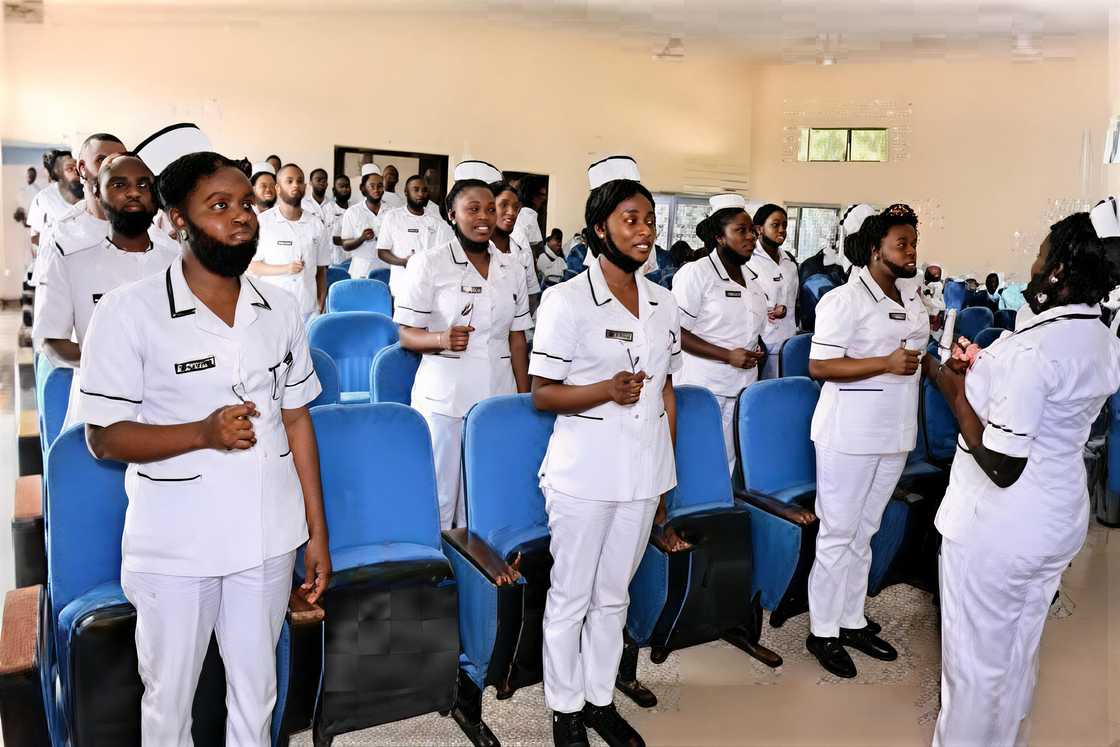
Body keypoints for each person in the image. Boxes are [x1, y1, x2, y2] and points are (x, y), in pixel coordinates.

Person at [77, 143, 330, 747]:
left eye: (247, 202)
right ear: (178, 221)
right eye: (220, 205)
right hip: (176, 540)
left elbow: (297, 420)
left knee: (256, 689)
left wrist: (316, 532)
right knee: (169, 698)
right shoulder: (128, 312)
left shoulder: (282, 308)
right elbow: (103, 438)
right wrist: (203, 433)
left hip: (267, 534)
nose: (242, 215)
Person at [930, 208, 1120, 745]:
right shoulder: (1101, 337)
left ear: (1058, 268)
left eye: (1041, 252)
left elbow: (1002, 463)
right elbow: (1050, 401)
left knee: (972, 670)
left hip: (1001, 525)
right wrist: (988, 366)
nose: (1033, 261)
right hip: (1057, 517)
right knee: (1016, 650)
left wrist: (953, 388)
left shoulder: (1033, 350)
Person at [530, 155, 688, 747]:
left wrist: (666, 473)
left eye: (649, 220)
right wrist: (605, 390)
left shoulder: (662, 301)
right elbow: (542, 395)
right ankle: (564, 710)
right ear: (600, 228)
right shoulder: (566, 301)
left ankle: (599, 700)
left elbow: (666, 389)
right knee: (571, 594)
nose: (645, 231)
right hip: (583, 472)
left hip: (643, 471)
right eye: (631, 220)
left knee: (613, 594)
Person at [804, 204, 929, 679]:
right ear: (876, 249)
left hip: (894, 431)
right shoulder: (842, 300)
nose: (911, 251)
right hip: (849, 434)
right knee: (838, 532)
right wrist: (884, 363)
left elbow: (916, 351)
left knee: (867, 529)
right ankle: (823, 631)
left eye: (914, 243)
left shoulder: (909, 297)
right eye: (902, 244)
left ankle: (851, 618)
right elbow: (819, 367)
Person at [393, 160, 531, 530]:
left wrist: (523, 396)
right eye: (473, 209)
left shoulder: (511, 267)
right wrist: (440, 338)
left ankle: (480, 574)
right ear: (452, 215)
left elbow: (517, 338)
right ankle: (441, 571)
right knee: (442, 492)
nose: (484, 217)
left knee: (486, 489)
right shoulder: (429, 264)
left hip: (497, 395)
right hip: (446, 398)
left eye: (490, 208)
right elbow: (406, 334)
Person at [34, 152, 180, 430]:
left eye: (143, 185)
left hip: (170, 407)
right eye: (119, 185)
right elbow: (52, 340)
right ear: (97, 195)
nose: (133, 193)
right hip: (99, 410)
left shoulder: (178, 259)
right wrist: (114, 364)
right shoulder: (69, 257)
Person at [671, 194, 767, 474]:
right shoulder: (697, 274)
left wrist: (754, 348)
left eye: (752, 230)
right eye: (741, 230)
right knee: (695, 458)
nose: (751, 237)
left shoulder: (751, 278)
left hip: (741, 387)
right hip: (704, 386)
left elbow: (745, 328)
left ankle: (719, 512)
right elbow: (675, 330)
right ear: (720, 237)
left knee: (727, 460)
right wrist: (727, 355)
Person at [30, 134, 127, 298]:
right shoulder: (57, 237)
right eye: (101, 160)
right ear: (82, 168)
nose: (112, 169)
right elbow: (50, 321)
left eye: (120, 161)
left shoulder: (149, 234)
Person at [250, 163, 330, 321]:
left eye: (300, 181)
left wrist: (320, 304)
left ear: (305, 187)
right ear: (278, 188)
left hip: (307, 310)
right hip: (272, 310)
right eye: (290, 181)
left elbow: (321, 270)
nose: (296, 185)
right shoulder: (262, 222)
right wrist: (286, 268)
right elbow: (253, 266)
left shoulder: (316, 224)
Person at [747, 204, 799, 379]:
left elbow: (793, 302)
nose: (782, 230)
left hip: (789, 342)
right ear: (759, 229)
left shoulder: (789, 263)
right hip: (762, 343)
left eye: (785, 225)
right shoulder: (749, 262)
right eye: (775, 225)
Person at [376, 174, 443, 297]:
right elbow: (382, 251)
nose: (420, 194)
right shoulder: (393, 217)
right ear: (406, 192)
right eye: (416, 189)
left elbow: (440, 253)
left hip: (428, 287)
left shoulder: (435, 219)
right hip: (401, 287)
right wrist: (403, 262)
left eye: (424, 190)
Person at [489, 178, 542, 314]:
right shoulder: (476, 251)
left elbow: (532, 296)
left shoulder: (521, 251)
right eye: (504, 205)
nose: (512, 212)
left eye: (516, 207)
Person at [340, 163, 388, 280]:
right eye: (372, 186)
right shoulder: (352, 212)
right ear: (363, 188)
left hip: (386, 268)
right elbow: (345, 245)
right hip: (361, 270)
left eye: (380, 185)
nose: (376, 189)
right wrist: (361, 238)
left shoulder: (392, 212)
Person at [27, 149, 82, 249]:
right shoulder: (42, 198)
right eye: (69, 168)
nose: (76, 171)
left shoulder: (87, 192)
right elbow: (34, 237)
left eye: (75, 166)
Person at [512, 175, 546, 257]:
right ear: (532, 196)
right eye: (542, 195)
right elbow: (534, 248)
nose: (544, 198)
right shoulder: (529, 215)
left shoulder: (524, 213)